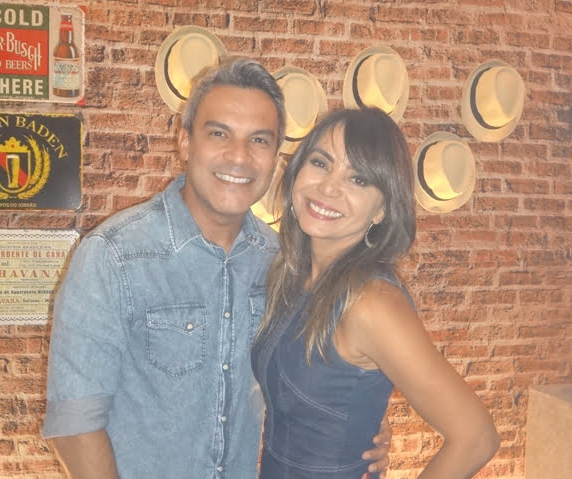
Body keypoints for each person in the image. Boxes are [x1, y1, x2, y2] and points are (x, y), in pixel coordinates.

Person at [42, 57, 391, 479]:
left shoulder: (283, 261)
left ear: (276, 156)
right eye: (219, 133)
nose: (238, 156)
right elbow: (74, 424)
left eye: (259, 140)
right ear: (185, 141)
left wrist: (358, 419)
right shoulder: (114, 256)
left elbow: (311, 375)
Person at [252, 108, 500, 478]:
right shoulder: (292, 274)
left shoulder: (371, 303)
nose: (329, 187)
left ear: (382, 209)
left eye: (358, 179)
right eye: (320, 163)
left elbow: (477, 437)